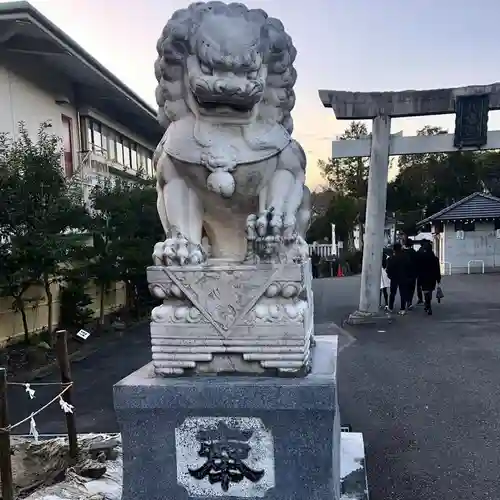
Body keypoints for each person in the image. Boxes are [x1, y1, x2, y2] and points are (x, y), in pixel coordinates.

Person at [386, 242, 412, 315]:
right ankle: (402, 308)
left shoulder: (391, 258)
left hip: (394, 278)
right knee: (403, 293)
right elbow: (409, 267)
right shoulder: (405, 257)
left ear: (394, 249)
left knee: (392, 293)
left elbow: (388, 269)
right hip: (403, 277)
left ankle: (390, 307)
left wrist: (390, 276)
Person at [417, 240, 441, 315]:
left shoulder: (421, 258)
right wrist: (438, 279)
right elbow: (437, 269)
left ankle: (427, 305)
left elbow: (419, 268)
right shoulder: (435, 259)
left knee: (425, 291)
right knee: (430, 291)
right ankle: (428, 304)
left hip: (423, 277)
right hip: (432, 278)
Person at [403, 239, 419, 309]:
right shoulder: (414, 252)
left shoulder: (402, 252)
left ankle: (404, 301)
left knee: (404, 288)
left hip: (403, 274)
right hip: (413, 274)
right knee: (411, 289)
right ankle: (409, 302)